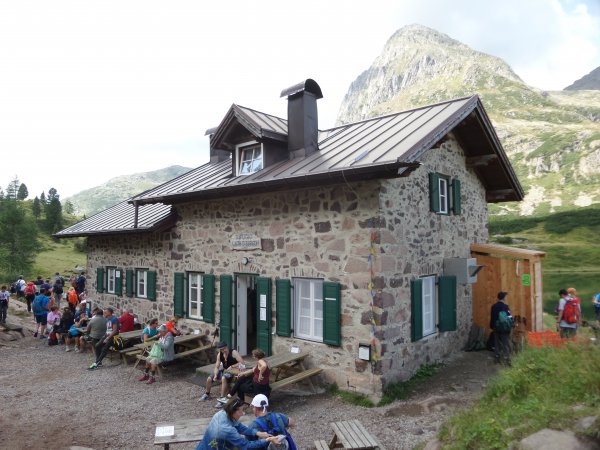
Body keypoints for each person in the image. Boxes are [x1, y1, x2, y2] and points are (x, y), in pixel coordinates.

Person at [195, 396, 276, 450]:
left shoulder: (222, 413)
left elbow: (239, 426)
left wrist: (257, 433)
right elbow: (246, 446)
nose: (241, 414)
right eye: (240, 411)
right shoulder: (227, 430)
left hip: (203, 446)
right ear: (233, 411)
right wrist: (267, 440)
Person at [489, 291, 512, 365]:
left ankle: (497, 357)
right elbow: (509, 317)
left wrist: (492, 326)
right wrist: (511, 325)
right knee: (505, 343)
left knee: (496, 343)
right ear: (504, 298)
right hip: (504, 328)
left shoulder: (493, 306)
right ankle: (506, 358)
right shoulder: (505, 307)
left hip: (496, 327)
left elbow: (492, 317)